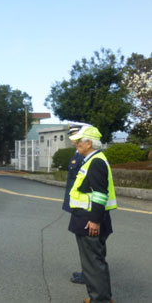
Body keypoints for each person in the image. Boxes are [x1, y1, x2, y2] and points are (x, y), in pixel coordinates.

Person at [68, 126, 117, 303]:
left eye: (79, 141)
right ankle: (100, 297)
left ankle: (100, 300)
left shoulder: (95, 162)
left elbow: (99, 194)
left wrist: (95, 221)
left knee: (93, 264)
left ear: (89, 143)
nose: (76, 144)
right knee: (95, 261)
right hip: (89, 218)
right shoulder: (93, 159)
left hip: (90, 220)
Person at [63, 123, 90, 285]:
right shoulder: (78, 154)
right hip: (78, 206)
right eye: (72, 137)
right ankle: (86, 272)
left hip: (85, 208)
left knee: (88, 245)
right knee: (83, 243)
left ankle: (90, 275)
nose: (74, 141)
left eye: (77, 137)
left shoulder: (85, 157)